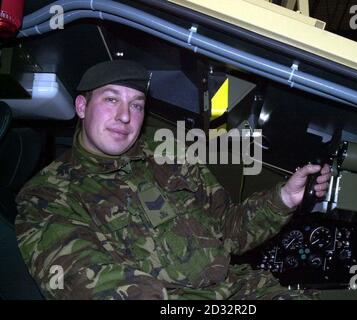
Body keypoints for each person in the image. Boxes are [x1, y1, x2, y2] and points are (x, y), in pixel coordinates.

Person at [15, 60, 331, 300]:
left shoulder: (169, 158)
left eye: (136, 105)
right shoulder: (47, 195)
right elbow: (86, 282)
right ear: (82, 107)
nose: (125, 116)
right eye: (111, 100)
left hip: (240, 290)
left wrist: (284, 198)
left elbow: (228, 231)